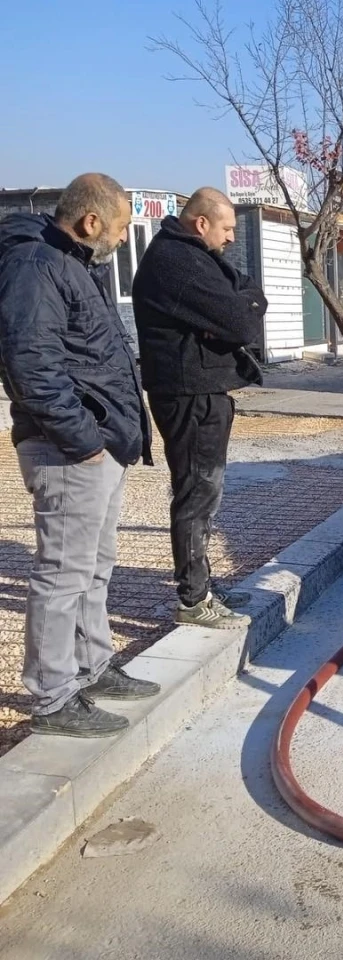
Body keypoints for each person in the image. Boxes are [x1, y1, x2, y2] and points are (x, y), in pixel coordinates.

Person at [0, 174, 160, 738]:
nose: (121, 238)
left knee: (95, 564)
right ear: (91, 222)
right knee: (63, 572)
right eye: (119, 228)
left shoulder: (72, 263)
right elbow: (31, 365)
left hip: (99, 443)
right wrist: (84, 439)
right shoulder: (35, 265)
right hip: (68, 449)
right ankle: (52, 694)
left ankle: (93, 667)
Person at [132, 187, 267, 629]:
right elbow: (242, 321)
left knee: (205, 492)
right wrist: (234, 316)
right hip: (188, 394)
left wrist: (237, 310)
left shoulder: (199, 257)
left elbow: (251, 297)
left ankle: (202, 585)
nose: (231, 238)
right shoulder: (176, 261)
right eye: (226, 228)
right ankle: (193, 600)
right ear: (201, 222)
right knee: (197, 492)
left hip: (202, 390)